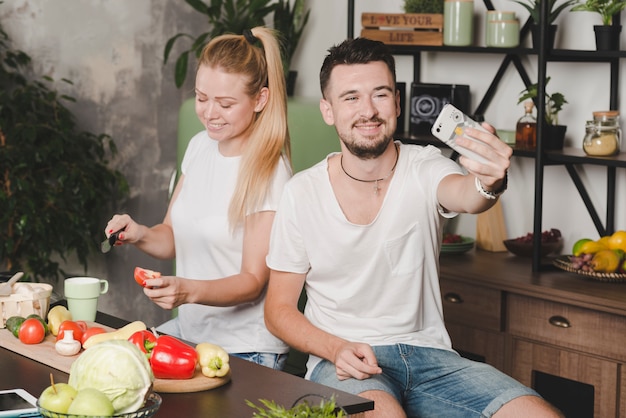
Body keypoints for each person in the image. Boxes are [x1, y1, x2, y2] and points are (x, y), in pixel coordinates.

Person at [264, 37, 564, 417]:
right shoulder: (301, 193)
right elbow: (278, 310)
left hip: (434, 360)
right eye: (351, 97)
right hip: (347, 362)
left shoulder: (424, 165)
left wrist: (490, 181)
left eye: (380, 94)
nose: (368, 110)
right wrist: (333, 348)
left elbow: (467, 195)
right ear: (328, 110)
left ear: (398, 102)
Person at [104, 27, 292, 370]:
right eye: (202, 98)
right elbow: (173, 237)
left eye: (225, 103)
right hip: (191, 333)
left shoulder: (269, 170)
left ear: (260, 100)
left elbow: (252, 281)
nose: (209, 113)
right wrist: (140, 233)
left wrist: (186, 291)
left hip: (246, 347)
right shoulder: (199, 147)